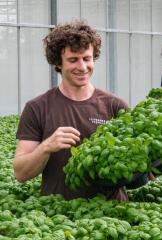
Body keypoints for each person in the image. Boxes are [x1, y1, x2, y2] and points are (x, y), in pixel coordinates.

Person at [13, 21, 129, 201]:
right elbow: (21, 173)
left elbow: (132, 159)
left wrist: (151, 165)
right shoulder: (37, 107)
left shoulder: (115, 105)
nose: (82, 67)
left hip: (111, 215)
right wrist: (46, 147)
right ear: (58, 63)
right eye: (73, 60)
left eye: (87, 58)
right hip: (59, 217)